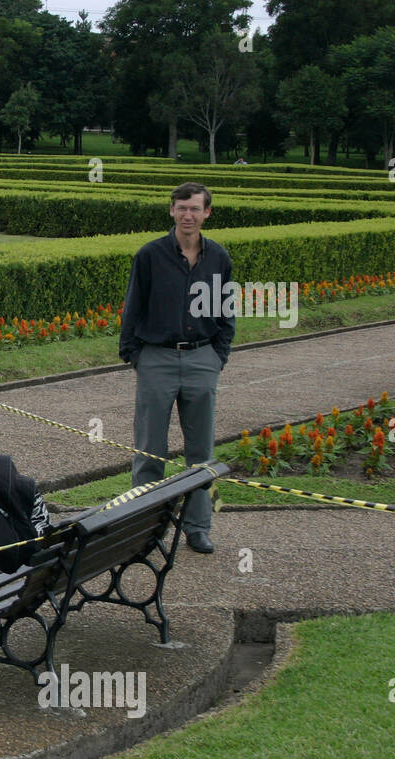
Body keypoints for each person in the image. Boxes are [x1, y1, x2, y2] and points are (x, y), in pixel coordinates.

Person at [118, 182, 235, 554]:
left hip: (203, 358)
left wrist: (219, 354)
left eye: (195, 209)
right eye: (182, 208)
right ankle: (143, 529)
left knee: (201, 452)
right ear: (171, 210)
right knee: (149, 450)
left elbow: (225, 310)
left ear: (207, 213)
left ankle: (198, 527)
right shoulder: (150, 255)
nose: (188, 215)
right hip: (157, 359)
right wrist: (134, 355)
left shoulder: (219, 257)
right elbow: (133, 305)